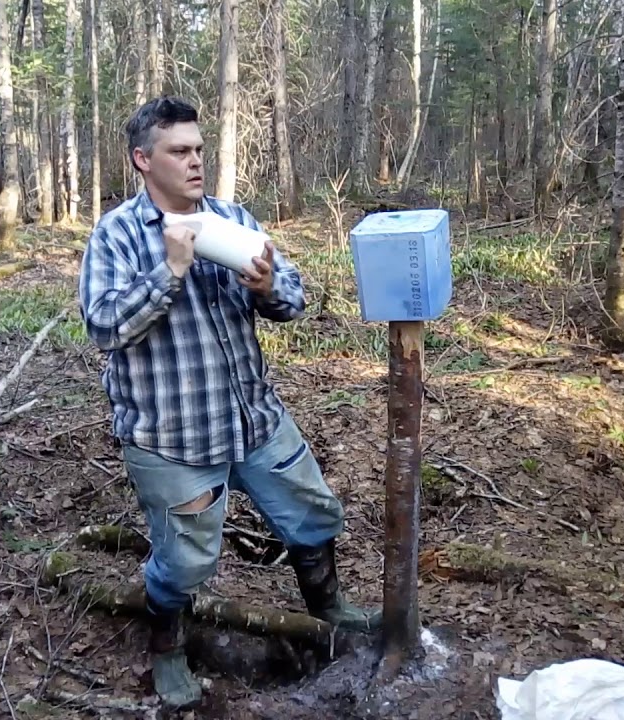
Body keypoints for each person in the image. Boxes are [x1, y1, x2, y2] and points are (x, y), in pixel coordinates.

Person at [77, 96, 380, 708]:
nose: (196, 161)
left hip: (254, 419)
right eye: (179, 151)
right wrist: (169, 272)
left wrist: (268, 287)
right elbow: (103, 326)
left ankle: (328, 606)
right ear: (143, 160)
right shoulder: (118, 235)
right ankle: (167, 646)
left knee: (313, 515)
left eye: (198, 149)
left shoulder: (231, 219)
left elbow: (294, 298)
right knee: (185, 560)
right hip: (173, 437)